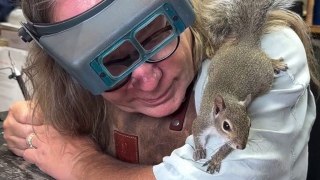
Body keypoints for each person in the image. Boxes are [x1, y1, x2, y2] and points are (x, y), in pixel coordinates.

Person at [3, 0, 320, 179]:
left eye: (154, 35)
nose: (148, 79)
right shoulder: (71, 80)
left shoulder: (253, 56)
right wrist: (40, 123)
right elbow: (45, 120)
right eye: (109, 65)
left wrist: (78, 162)